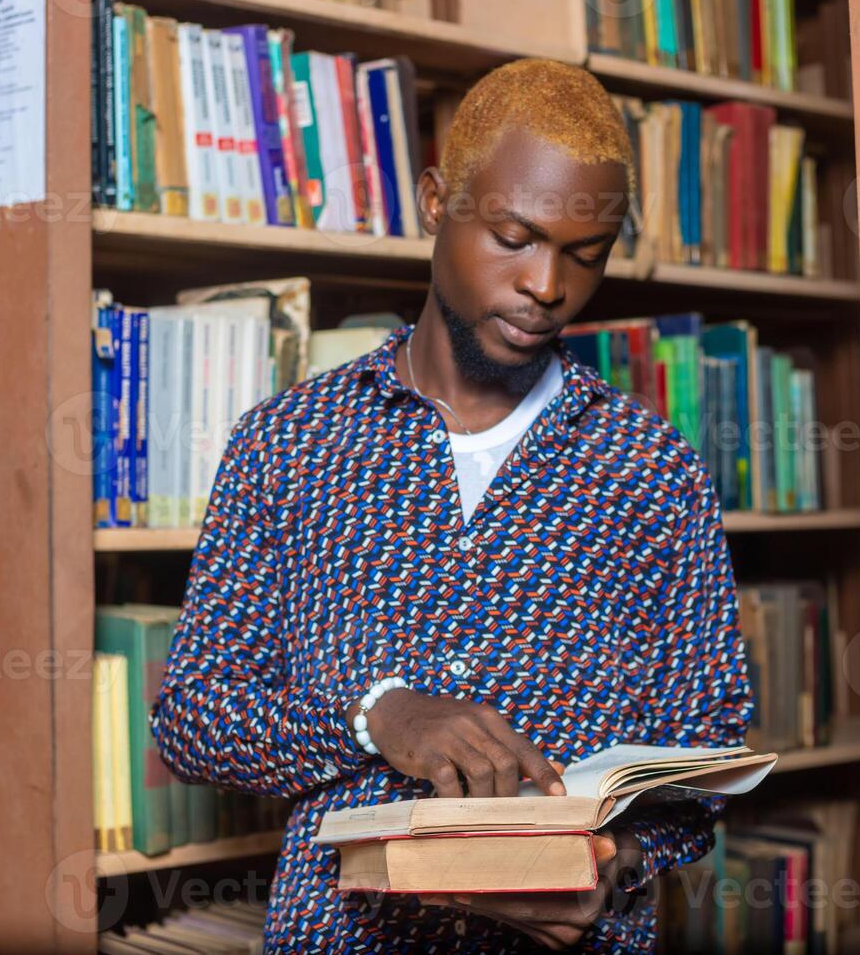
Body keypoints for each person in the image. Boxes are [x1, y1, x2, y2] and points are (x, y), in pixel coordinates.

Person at [151, 58, 752, 952]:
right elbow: (194, 717)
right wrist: (376, 715)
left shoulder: (652, 471)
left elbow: (710, 747)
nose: (547, 286)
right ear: (437, 202)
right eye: (514, 236)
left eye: (584, 256)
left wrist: (615, 859)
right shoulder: (288, 445)